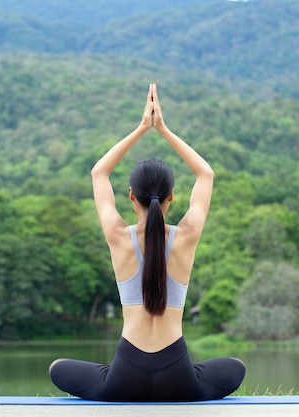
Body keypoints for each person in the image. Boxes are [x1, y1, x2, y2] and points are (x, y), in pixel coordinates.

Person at [49, 84, 246, 402]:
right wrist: (163, 129)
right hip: (178, 377)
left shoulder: (117, 236)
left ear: (130, 196)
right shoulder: (186, 236)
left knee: (58, 367)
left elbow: (99, 173)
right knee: (235, 367)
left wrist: (142, 128)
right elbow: (205, 174)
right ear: (170, 197)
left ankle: (110, 375)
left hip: (125, 375)